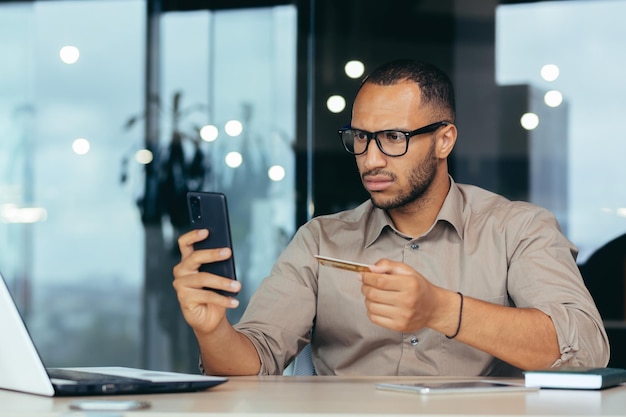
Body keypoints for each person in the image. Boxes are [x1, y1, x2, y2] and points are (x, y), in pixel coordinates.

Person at [173, 59, 609, 377]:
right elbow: (253, 365)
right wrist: (212, 331)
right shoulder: (319, 240)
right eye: (360, 138)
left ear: (444, 140)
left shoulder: (518, 229)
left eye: (393, 138)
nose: (371, 159)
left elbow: (586, 349)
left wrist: (441, 309)